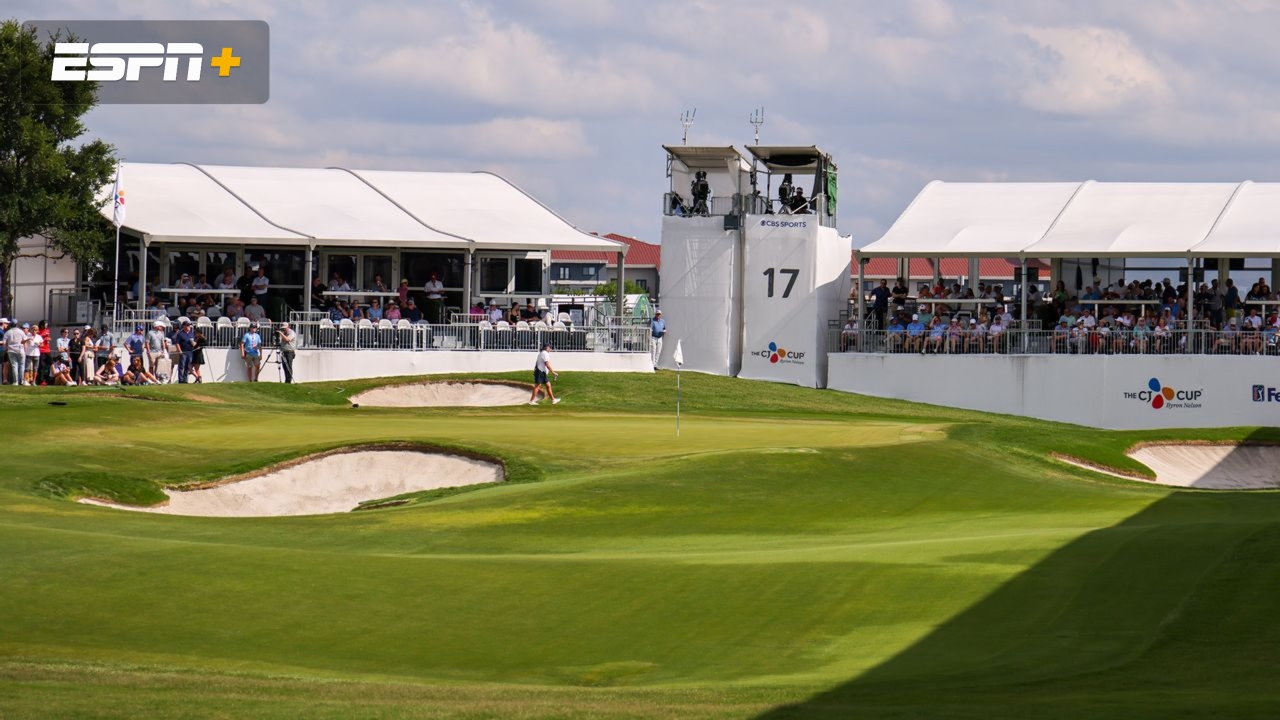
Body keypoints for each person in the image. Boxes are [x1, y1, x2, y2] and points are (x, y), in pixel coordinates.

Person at [4, 319, 27, 385]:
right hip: (20, 350)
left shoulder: (8, 332)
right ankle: (22, 381)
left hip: (11, 350)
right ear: (17, 324)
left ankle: (15, 381)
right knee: (22, 365)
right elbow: (24, 340)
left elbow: (4, 343)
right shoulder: (21, 332)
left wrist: (6, 349)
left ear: (11, 324)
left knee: (14, 366)